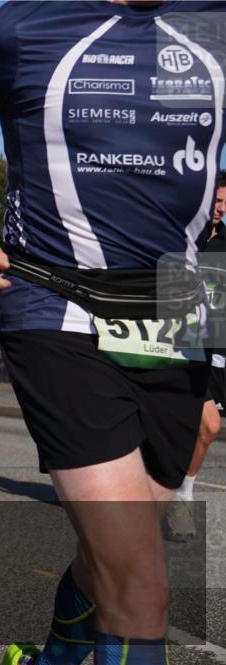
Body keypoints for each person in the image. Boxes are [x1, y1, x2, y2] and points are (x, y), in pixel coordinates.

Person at [0, 4, 223, 664]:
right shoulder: (16, 31)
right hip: (56, 304)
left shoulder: (212, 24)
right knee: (143, 586)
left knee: (113, 553)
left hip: (180, 307)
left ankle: (53, 656)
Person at [167, 171, 226, 541]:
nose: (219, 208)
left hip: (216, 352)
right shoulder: (178, 239)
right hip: (179, 348)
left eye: (224, 202)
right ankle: (181, 501)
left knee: (202, 430)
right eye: (215, 201)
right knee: (208, 426)